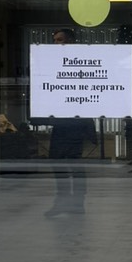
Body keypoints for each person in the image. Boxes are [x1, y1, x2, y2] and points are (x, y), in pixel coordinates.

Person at [45, 27, 97, 216]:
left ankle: (75, 203)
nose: (56, 44)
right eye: (54, 40)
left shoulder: (81, 60)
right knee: (58, 162)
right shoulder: (53, 62)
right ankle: (66, 202)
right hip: (61, 121)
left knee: (73, 163)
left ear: (70, 41)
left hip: (75, 121)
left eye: (59, 40)